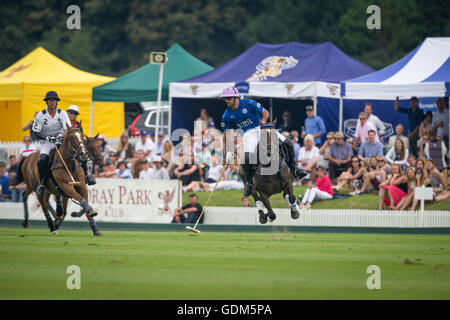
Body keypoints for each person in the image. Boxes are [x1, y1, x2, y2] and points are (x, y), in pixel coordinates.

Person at [220, 86, 305, 196]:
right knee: (247, 158)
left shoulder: (249, 103)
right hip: (248, 134)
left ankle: (294, 169)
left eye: (229, 98)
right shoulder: (226, 115)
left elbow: (265, 112)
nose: (227, 100)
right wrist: (227, 153)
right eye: (225, 99)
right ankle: (249, 183)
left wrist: (264, 121)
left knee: (288, 143)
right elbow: (227, 134)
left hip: (262, 127)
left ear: (236, 97)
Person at [32, 91, 72, 196]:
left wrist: (62, 135)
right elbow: (36, 131)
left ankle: (86, 177)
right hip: (47, 143)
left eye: (54, 100)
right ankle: (42, 184)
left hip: (60, 141)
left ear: (56, 102)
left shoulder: (62, 113)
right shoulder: (41, 115)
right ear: (47, 102)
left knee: (74, 153)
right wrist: (46, 137)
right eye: (50, 101)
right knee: (42, 159)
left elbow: (68, 128)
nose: (52, 103)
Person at [66, 104, 96, 185]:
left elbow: (81, 137)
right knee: (50, 156)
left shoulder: (78, 124)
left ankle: (87, 177)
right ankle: (43, 181)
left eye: (75, 113)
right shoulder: (63, 123)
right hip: (64, 147)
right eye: (71, 113)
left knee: (84, 158)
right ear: (67, 113)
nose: (72, 115)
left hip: (75, 148)